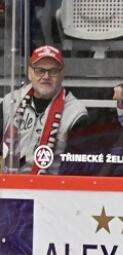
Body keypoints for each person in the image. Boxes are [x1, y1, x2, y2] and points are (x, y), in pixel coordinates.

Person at [1, 45, 90, 175]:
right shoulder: (10, 102)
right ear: (30, 73)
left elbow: (77, 166)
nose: (46, 76)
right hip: (9, 186)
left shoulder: (76, 113)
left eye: (53, 71)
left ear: (62, 74)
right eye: (39, 70)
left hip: (52, 189)